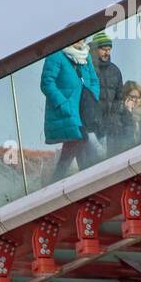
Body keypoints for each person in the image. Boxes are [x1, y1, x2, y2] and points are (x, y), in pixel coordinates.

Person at [41, 38, 100, 181]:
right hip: (68, 110)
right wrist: (63, 104)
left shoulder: (85, 55)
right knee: (79, 139)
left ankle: (69, 180)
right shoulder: (56, 56)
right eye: (77, 37)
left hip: (84, 108)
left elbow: (94, 79)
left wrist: (93, 96)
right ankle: (84, 179)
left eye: (83, 38)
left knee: (77, 142)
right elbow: (46, 83)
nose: (81, 40)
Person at [90, 31, 125, 161]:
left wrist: (115, 118)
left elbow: (119, 96)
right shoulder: (87, 68)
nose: (107, 53)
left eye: (109, 49)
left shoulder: (115, 71)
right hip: (93, 127)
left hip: (112, 126)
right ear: (95, 49)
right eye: (104, 49)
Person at [109, 80, 141, 156]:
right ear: (125, 97)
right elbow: (126, 143)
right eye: (133, 97)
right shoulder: (117, 116)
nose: (137, 100)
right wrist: (128, 113)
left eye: (139, 97)